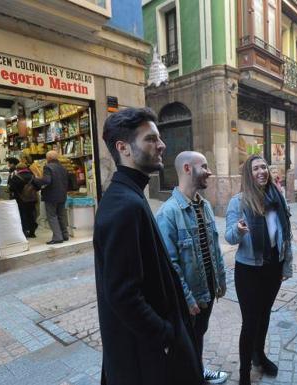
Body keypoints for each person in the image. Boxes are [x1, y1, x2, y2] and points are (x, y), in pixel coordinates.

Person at [94, 107, 203, 385]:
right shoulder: (123, 205)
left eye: (159, 138)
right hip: (146, 362)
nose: (162, 145)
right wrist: (165, 336)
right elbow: (122, 293)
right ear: (124, 148)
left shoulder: (129, 195)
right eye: (151, 139)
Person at [157, 151, 229, 384]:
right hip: (189, 300)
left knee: (197, 337)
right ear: (188, 169)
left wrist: (220, 280)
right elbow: (170, 265)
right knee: (184, 343)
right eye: (204, 166)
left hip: (207, 291)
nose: (209, 171)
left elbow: (214, 247)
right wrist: (187, 299)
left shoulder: (205, 205)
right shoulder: (168, 213)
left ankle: (197, 371)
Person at [225, 155, 293, 385]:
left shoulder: (277, 198)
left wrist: (286, 265)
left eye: (264, 166)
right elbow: (229, 237)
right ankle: (244, 372)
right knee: (250, 321)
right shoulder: (239, 202)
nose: (261, 171)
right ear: (248, 174)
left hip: (272, 267)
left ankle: (259, 356)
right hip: (249, 270)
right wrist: (239, 230)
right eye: (255, 168)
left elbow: (286, 235)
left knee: (264, 316)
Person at [32, 150, 69, 244]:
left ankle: (57, 237)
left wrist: (36, 179)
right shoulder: (62, 167)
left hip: (51, 195)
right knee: (61, 215)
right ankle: (65, 235)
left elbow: (47, 181)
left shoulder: (47, 167)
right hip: (62, 194)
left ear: (48, 158)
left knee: (52, 216)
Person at [8, 161, 38, 238]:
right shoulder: (32, 176)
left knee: (22, 215)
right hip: (32, 199)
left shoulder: (16, 177)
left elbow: (11, 188)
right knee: (31, 215)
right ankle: (32, 232)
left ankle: (24, 231)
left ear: (17, 169)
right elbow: (38, 187)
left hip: (20, 199)